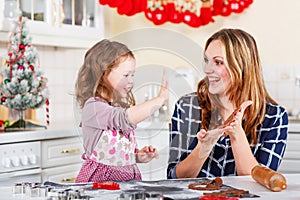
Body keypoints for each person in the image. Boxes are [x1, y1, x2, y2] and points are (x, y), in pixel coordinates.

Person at [167, 28, 288, 179]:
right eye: (206, 61)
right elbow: (174, 178)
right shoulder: (187, 107)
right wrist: (203, 147)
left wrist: (236, 133)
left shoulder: (274, 116)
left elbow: (262, 182)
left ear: (242, 66)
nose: (207, 69)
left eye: (218, 62)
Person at [75, 39, 168, 182]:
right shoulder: (94, 107)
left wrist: (136, 156)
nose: (131, 81)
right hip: (99, 185)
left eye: (132, 75)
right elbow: (125, 118)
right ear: (103, 73)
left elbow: (117, 152)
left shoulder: (118, 107)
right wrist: (159, 99)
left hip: (126, 183)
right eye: (126, 75)